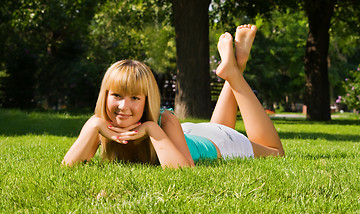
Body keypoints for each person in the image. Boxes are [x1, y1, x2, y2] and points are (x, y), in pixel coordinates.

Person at [62, 24, 284, 169]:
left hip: (219, 143)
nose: (123, 106)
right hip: (187, 135)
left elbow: (184, 168)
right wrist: (93, 127)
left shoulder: (163, 120)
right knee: (217, 126)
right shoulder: (101, 123)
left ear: (147, 100)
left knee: (276, 153)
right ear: (105, 95)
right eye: (117, 95)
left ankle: (235, 73)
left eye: (135, 98)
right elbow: (69, 166)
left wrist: (151, 129)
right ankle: (237, 65)